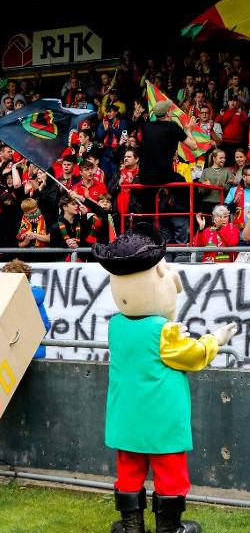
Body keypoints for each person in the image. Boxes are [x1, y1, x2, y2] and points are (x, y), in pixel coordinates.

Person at [92, 224, 237, 533]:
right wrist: (216, 339)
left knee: (129, 471)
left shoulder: (116, 325)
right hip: (161, 418)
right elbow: (193, 355)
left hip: (125, 417)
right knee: (170, 471)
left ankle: (132, 527)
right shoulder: (164, 330)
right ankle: (169, 528)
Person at [1, 259, 50, 358]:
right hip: (21, 351)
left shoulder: (30, 296)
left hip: (31, 353)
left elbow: (44, 325)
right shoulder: (12, 296)